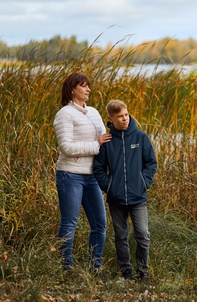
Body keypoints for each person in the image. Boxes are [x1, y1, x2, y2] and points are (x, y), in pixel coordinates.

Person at [93, 100, 157, 281]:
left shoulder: (140, 137)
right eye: (120, 116)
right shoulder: (107, 142)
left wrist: (143, 182)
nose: (125, 119)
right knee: (121, 237)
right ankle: (126, 273)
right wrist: (109, 187)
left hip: (138, 197)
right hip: (116, 199)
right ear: (111, 119)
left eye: (126, 115)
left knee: (143, 235)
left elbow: (151, 163)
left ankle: (143, 273)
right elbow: (98, 168)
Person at [53, 72, 111, 271]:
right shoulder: (64, 114)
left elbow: (105, 140)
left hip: (92, 176)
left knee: (100, 224)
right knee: (70, 223)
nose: (88, 89)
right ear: (72, 90)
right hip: (70, 175)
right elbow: (66, 148)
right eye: (83, 86)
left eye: (88, 86)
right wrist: (96, 144)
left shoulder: (94, 112)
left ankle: (95, 267)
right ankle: (65, 268)